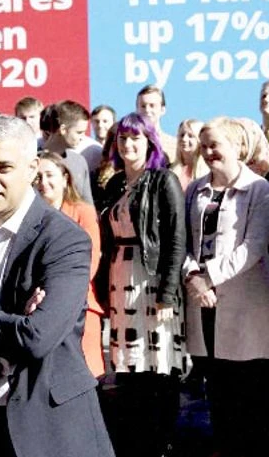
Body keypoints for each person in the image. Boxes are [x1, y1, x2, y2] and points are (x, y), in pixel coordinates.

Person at [0, 115, 115, 457]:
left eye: (3, 167)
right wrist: (11, 324)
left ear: (32, 169)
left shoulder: (64, 239)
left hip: (49, 429)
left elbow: (36, 338)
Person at [184, 117, 269, 457]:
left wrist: (208, 276)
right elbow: (186, 243)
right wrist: (192, 275)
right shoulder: (194, 190)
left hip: (247, 308)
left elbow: (254, 247)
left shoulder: (260, 189)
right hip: (204, 304)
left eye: (215, 145)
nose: (208, 152)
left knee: (250, 398)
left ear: (237, 147)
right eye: (204, 146)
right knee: (218, 393)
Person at [96, 112, 186, 456]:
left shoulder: (164, 180)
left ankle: (162, 444)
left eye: (135, 137)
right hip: (121, 280)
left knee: (159, 367)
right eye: (122, 138)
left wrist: (167, 293)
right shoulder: (115, 183)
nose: (128, 144)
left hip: (152, 280)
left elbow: (176, 239)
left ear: (149, 141)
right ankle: (136, 444)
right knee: (130, 367)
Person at [36, 151, 104, 376]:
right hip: (39, 305)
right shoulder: (31, 217)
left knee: (85, 374)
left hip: (78, 302)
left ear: (65, 178)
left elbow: (90, 261)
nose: (43, 182)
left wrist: (59, 294)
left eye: (49, 175)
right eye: (37, 177)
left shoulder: (83, 212)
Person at [41, 100, 95, 205]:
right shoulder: (33, 160)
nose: (82, 138)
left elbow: (87, 206)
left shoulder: (79, 161)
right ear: (63, 129)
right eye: (79, 132)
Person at [135, 85, 177, 164]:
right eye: (143, 106)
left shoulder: (174, 145)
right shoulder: (128, 143)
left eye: (152, 106)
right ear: (137, 109)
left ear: (162, 110)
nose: (147, 110)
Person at [170, 119, 208, 191]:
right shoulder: (169, 170)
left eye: (190, 136)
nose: (184, 139)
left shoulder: (209, 173)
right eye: (182, 135)